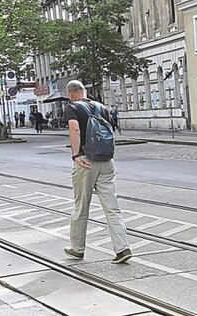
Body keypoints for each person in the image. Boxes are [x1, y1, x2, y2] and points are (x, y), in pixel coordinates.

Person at [62, 80, 132, 264]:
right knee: (112, 207)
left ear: (70, 94)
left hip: (86, 161)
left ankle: (77, 249)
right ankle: (122, 248)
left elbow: (74, 128)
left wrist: (76, 155)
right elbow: (109, 131)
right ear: (84, 91)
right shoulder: (102, 107)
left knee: (81, 206)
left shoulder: (72, 107)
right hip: (106, 161)